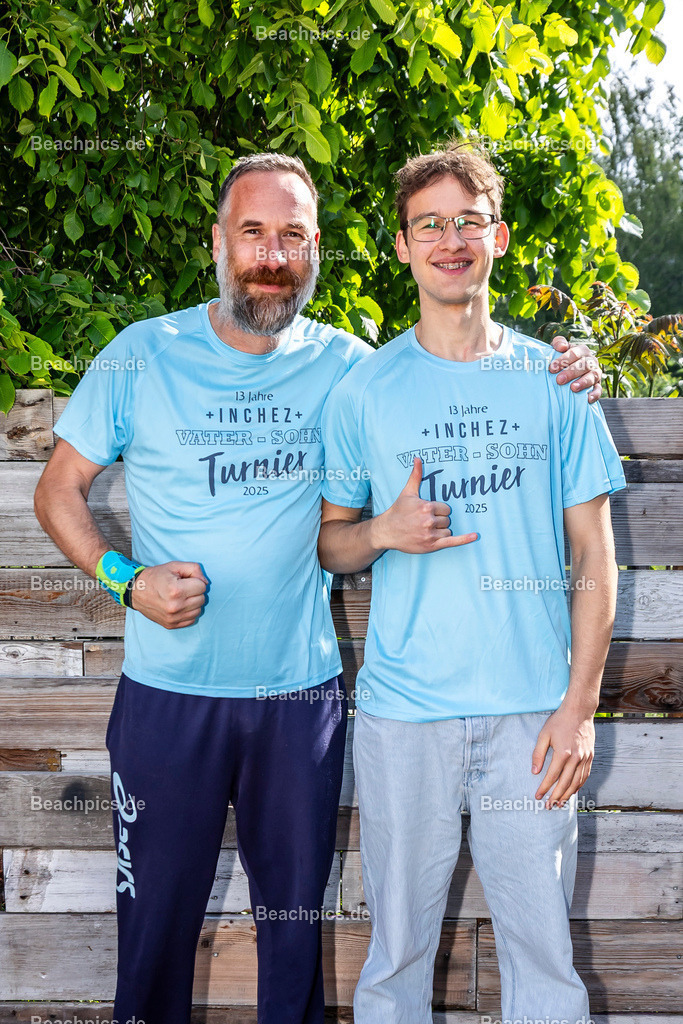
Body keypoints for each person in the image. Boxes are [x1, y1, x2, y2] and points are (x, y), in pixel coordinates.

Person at [33, 151, 604, 1024]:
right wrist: (127, 578)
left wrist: (574, 367)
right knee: (152, 938)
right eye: (253, 233)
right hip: (168, 698)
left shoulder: (346, 366)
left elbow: (457, 373)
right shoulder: (142, 354)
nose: (271, 254)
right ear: (218, 244)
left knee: (295, 946)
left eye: (291, 236)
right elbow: (56, 488)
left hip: (299, 704)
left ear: (317, 250)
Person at [318, 140, 626, 1024]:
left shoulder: (555, 383)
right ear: (404, 247)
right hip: (403, 717)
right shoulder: (363, 390)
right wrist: (382, 530)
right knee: (396, 959)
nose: (448, 241)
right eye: (428, 226)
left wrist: (579, 709)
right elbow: (331, 546)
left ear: (496, 237)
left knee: (543, 965)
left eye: (465, 222)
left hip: (532, 717)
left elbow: (594, 560)